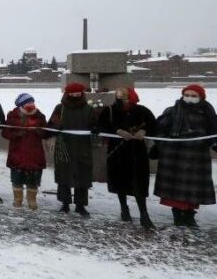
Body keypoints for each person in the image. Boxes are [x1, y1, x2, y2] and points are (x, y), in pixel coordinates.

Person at [154, 84, 217, 227]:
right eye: (187, 94)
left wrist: (214, 143)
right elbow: (160, 129)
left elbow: (213, 130)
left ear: (201, 97)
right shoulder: (172, 111)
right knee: (175, 188)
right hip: (174, 155)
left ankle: (189, 215)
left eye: (194, 95)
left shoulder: (207, 112)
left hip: (197, 155)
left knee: (193, 189)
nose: (189, 98)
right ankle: (177, 213)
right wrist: (162, 145)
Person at [96, 87, 157, 229]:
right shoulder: (109, 111)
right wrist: (117, 131)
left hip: (137, 153)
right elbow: (100, 126)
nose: (122, 100)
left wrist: (144, 130)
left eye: (125, 97)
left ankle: (144, 214)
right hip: (118, 152)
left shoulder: (142, 111)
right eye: (119, 97)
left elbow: (154, 125)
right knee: (120, 182)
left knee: (139, 184)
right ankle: (124, 209)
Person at [47, 83, 97, 218]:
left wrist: (95, 130)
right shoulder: (60, 108)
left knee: (83, 176)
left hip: (83, 147)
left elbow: (95, 126)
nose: (75, 95)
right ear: (67, 94)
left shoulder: (88, 109)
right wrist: (53, 133)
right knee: (64, 175)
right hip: (64, 146)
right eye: (72, 93)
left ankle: (80, 205)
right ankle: (65, 204)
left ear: (82, 93)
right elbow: (51, 125)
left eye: (78, 93)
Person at [3, 93, 47, 210]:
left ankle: (31, 199)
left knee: (33, 179)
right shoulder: (13, 116)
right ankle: (18, 199)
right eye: (28, 102)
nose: (31, 104)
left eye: (32, 102)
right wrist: (18, 134)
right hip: (17, 153)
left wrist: (38, 131)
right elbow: (5, 133)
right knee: (17, 178)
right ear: (21, 105)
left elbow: (46, 132)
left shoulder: (39, 116)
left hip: (35, 153)